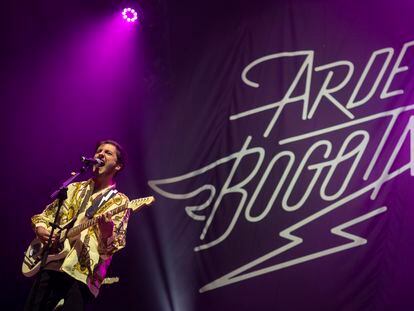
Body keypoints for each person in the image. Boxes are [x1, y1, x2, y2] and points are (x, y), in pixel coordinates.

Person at [25, 140, 130, 311]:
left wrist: (106, 231)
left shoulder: (120, 202)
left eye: (108, 153)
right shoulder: (74, 188)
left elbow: (111, 248)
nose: (101, 154)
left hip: (83, 274)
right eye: (99, 151)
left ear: (118, 166)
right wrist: (40, 229)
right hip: (51, 263)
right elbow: (44, 216)